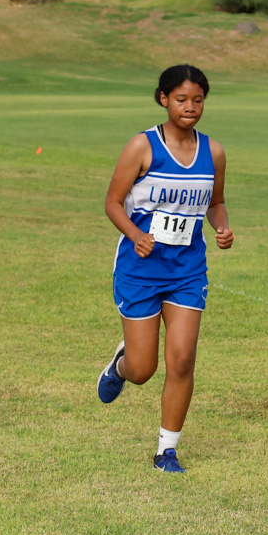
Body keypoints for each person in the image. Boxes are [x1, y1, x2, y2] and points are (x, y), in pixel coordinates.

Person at [98, 64, 233, 474]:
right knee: (143, 369)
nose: (190, 107)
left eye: (197, 100)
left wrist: (223, 226)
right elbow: (112, 202)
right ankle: (121, 365)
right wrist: (135, 235)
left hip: (188, 271)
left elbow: (215, 203)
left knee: (183, 359)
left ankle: (166, 451)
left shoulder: (214, 152)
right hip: (139, 270)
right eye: (181, 99)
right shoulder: (143, 146)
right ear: (163, 99)